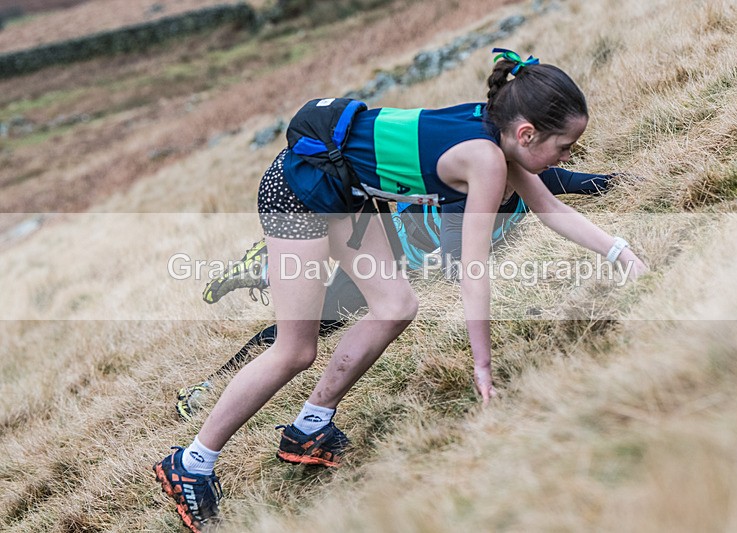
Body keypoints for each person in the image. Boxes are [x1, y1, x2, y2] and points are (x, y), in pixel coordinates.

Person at [154, 48, 648, 532]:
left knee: (395, 306)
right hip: (298, 191)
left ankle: (309, 427)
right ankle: (191, 464)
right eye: (564, 147)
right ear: (527, 133)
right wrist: (482, 364)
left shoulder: (497, 137)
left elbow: (551, 208)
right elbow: (472, 269)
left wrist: (621, 253)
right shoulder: (487, 160)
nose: (567, 157)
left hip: (343, 188)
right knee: (294, 350)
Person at [176, 167, 619, 421]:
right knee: (308, 327)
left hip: (394, 253)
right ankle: (211, 380)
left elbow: (592, 182)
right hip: (381, 249)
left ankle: (273, 264)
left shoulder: (533, 181)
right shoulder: (461, 200)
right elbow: (457, 264)